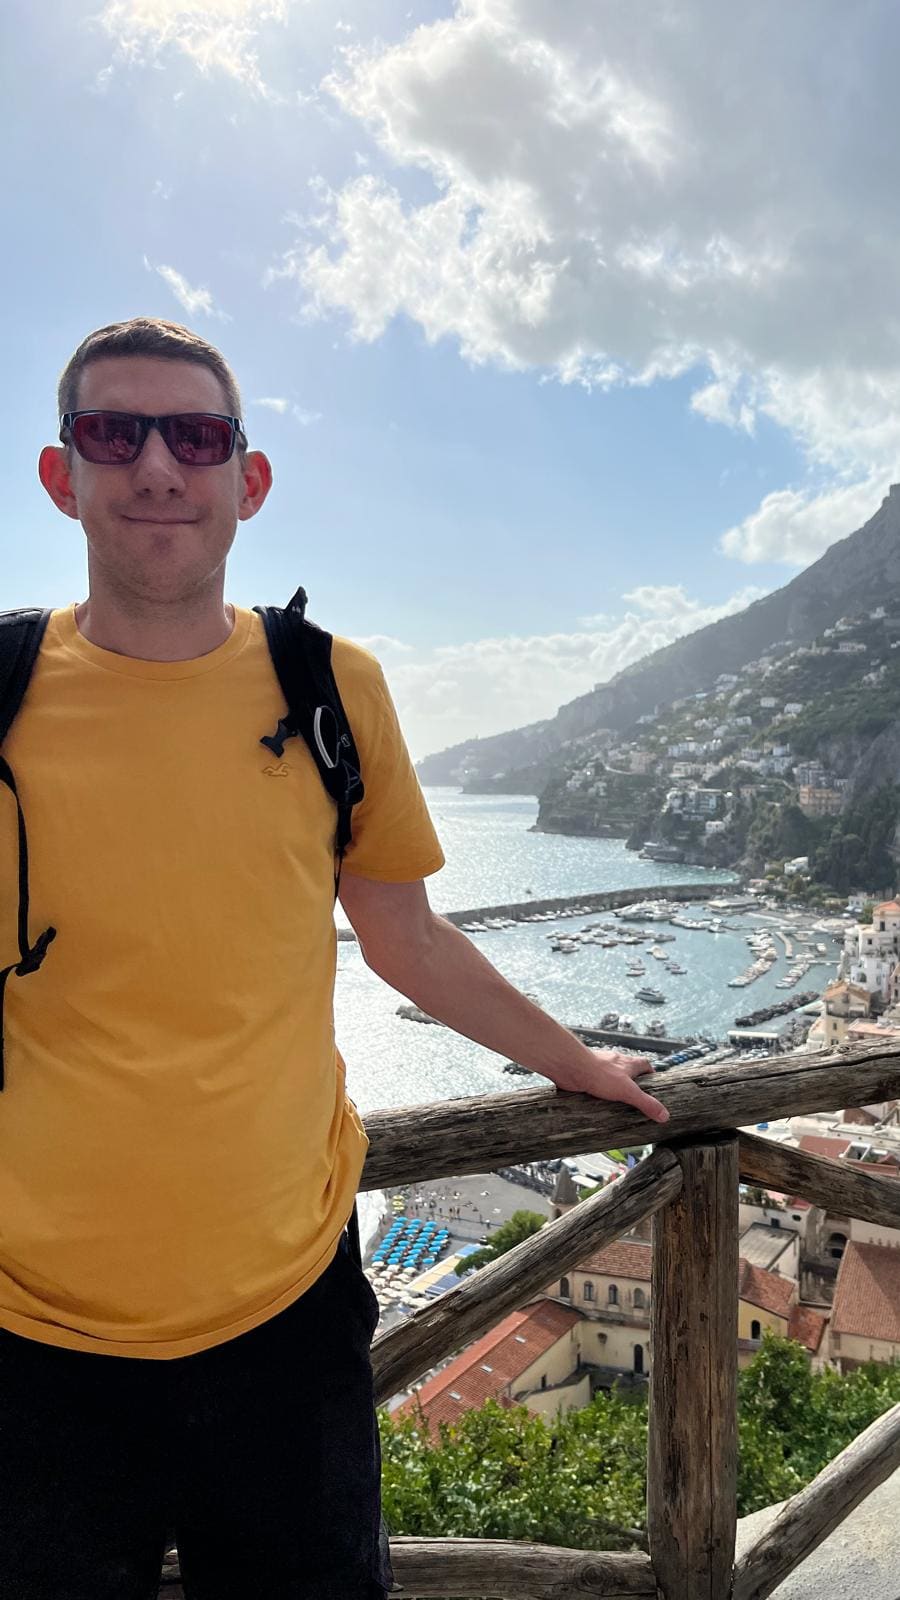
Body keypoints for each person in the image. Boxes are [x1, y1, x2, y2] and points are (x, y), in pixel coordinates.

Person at [0, 317, 670, 1600]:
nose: (156, 466)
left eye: (196, 436)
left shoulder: (327, 686)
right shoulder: (3, 692)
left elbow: (407, 936)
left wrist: (577, 1061)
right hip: (33, 1340)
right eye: (114, 432)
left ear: (246, 483)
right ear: (60, 471)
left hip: (287, 1319)